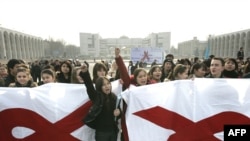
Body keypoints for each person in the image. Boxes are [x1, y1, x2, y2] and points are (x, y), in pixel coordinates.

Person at [80, 63, 121, 141]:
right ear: (99, 87)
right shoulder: (96, 97)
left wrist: (119, 113)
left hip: (113, 131)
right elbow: (89, 85)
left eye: (108, 84)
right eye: (103, 85)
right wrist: (85, 72)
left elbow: (118, 112)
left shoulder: (114, 97)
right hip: (101, 132)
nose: (107, 86)